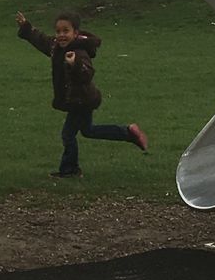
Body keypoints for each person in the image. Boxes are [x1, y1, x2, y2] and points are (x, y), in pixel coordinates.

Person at [15, 10, 148, 178]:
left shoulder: (78, 52)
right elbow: (41, 40)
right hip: (77, 100)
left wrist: (74, 64)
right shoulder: (56, 47)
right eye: (58, 31)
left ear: (75, 33)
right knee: (88, 131)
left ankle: (70, 169)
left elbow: (87, 74)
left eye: (66, 31)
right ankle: (128, 133)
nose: (61, 35)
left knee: (68, 134)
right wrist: (26, 27)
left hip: (82, 100)